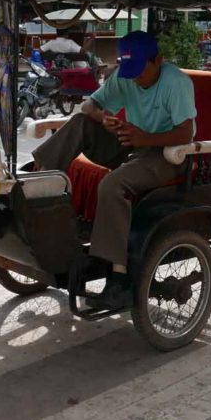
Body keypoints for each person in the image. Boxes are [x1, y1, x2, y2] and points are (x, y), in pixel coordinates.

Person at [30, 31, 196, 308]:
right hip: (131, 144)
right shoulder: (126, 75)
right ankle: (37, 185)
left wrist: (146, 139)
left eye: (140, 71)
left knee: (111, 185)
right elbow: (88, 105)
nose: (134, 78)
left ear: (158, 60)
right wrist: (103, 118)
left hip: (167, 155)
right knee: (81, 122)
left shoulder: (176, 82)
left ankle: (118, 279)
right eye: (129, 71)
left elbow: (185, 133)